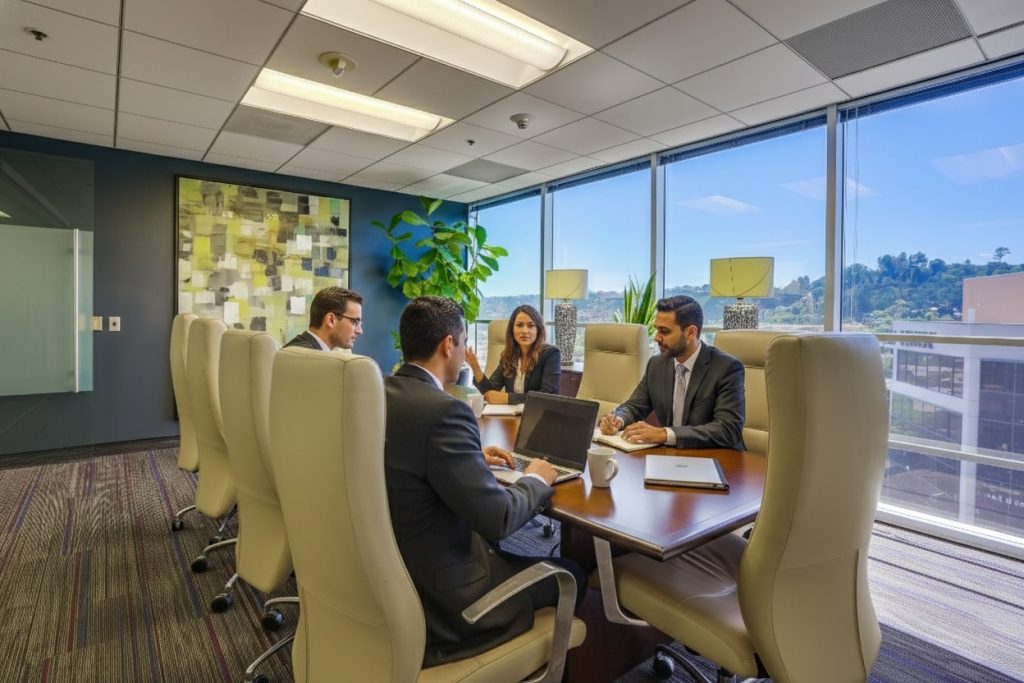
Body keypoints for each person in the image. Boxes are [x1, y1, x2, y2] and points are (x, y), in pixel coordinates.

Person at [384, 296, 585, 667]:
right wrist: (534, 479)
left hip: (397, 575)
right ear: (449, 344)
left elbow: (407, 461)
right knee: (572, 572)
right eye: (462, 342)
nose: (463, 351)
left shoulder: (380, 393)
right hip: (449, 604)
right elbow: (499, 519)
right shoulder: (445, 411)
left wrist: (471, 459)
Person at [599, 295, 745, 451]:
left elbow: (728, 430)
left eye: (664, 331)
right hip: (672, 457)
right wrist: (618, 419)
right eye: (656, 330)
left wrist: (664, 434)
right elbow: (635, 405)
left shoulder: (727, 368)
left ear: (691, 332)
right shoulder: (656, 364)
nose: (656, 338)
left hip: (718, 461)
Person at [465, 305, 561, 405]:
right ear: (512, 330)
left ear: (538, 330)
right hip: (511, 418)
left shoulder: (551, 354)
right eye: (519, 325)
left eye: (531, 325)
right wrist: (475, 366)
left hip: (538, 418)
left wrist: (507, 398)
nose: (525, 331)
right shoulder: (509, 356)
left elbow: (549, 396)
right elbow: (490, 392)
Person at [283, 286, 363, 351]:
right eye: (355, 322)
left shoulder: (301, 349)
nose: (360, 331)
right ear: (331, 320)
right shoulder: (308, 358)